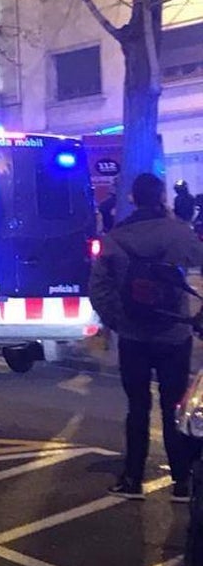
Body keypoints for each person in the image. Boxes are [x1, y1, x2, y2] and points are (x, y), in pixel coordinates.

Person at [90, 172, 203, 502]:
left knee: (137, 407)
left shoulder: (115, 239)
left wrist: (118, 320)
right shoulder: (180, 234)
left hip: (134, 337)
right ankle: (182, 481)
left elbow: (98, 289)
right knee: (174, 406)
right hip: (174, 335)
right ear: (162, 197)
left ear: (132, 199)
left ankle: (132, 479)